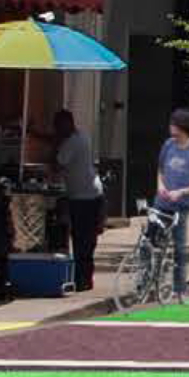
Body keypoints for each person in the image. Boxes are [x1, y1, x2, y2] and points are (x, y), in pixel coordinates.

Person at [154, 108, 189, 302]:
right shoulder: (168, 145)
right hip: (161, 203)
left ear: (182, 127)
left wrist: (182, 192)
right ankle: (145, 281)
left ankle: (179, 291)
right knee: (150, 242)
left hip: (181, 206)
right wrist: (160, 185)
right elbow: (160, 170)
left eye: (173, 124)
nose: (170, 127)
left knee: (178, 248)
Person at [53, 110, 103, 292]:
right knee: (88, 240)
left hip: (82, 197)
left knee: (81, 239)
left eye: (58, 127)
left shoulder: (71, 142)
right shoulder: (83, 136)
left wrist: (55, 144)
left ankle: (82, 279)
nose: (57, 130)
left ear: (66, 124)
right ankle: (85, 278)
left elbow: (58, 164)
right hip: (93, 193)